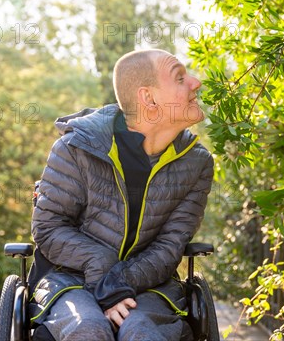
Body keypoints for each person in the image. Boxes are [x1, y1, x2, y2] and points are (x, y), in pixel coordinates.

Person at [28, 49, 214, 341]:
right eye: (180, 78)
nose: (195, 83)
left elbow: (170, 245)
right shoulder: (75, 148)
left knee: (141, 332)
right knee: (88, 329)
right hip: (70, 280)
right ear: (149, 99)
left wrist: (119, 282)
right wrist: (103, 271)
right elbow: (49, 229)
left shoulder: (197, 163)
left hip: (149, 283)